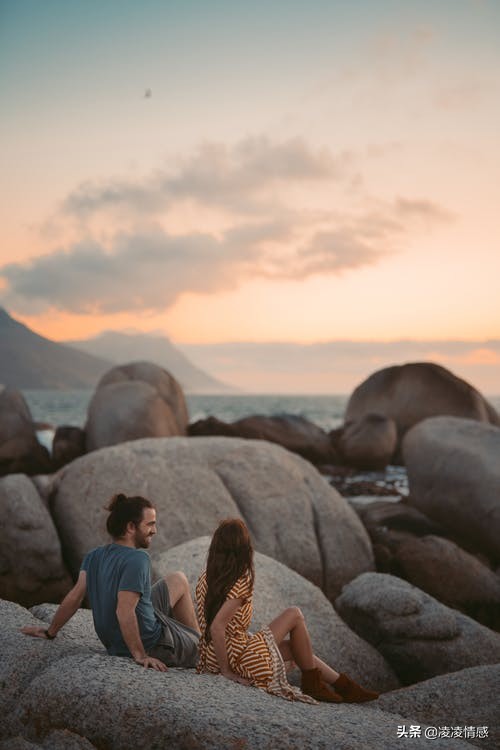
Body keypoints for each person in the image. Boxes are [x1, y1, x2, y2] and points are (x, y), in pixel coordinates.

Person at [196, 518, 379, 703]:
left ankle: (344, 686)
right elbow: (217, 627)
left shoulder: (206, 576)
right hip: (236, 660)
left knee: (295, 647)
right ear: (243, 548)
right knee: (295, 614)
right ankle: (315, 685)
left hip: (212, 656)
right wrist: (226, 671)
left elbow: (218, 626)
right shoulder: (240, 581)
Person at [22, 493, 200, 672]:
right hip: (153, 644)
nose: (155, 531)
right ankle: (201, 647)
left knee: (179, 579)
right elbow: (124, 610)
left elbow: (76, 596)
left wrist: (50, 631)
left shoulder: (94, 556)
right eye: (150, 524)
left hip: (115, 643)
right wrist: (140, 655)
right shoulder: (138, 559)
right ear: (131, 527)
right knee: (207, 650)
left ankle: (195, 638)